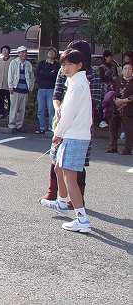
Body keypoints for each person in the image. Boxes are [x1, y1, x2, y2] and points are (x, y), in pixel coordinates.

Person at [41, 40, 102, 206]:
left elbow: (95, 101)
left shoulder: (91, 75)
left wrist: (72, 109)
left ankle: (77, 200)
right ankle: (54, 193)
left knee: (76, 165)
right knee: (56, 160)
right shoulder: (64, 70)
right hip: (62, 121)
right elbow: (56, 94)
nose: (66, 64)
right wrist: (58, 109)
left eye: (73, 52)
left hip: (80, 126)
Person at [39, 49, 92, 233]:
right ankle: (61, 202)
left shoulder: (77, 86)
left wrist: (58, 133)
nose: (65, 68)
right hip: (73, 134)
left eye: (69, 64)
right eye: (63, 64)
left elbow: (68, 114)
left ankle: (82, 219)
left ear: (79, 65)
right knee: (58, 168)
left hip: (74, 135)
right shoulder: (76, 82)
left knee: (70, 178)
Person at [107, 63, 133, 155]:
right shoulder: (117, 80)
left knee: (129, 130)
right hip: (116, 108)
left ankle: (127, 149)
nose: (127, 71)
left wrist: (124, 100)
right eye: (125, 69)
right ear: (122, 71)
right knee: (113, 127)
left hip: (129, 109)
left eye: (129, 69)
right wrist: (115, 100)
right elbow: (111, 91)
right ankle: (112, 147)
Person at [7, 46, 34, 132]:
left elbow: (32, 77)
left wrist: (31, 88)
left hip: (25, 89)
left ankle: (19, 126)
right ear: (18, 54)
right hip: (15, 89)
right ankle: (12, 125)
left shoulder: (28, 64)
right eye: (21, 52)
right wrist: (10, 86)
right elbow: (10, 75)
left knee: (22, 109)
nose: (23, 54)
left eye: (25, 52)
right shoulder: (14, 62)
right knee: (14, 108)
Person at [35, 47, 60, 134]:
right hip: (41, 89)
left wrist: (45, 74)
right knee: (40, 110)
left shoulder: (57, 65)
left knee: (51, 110)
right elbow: (38, 75)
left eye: (53, 52)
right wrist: (49, 74)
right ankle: (42, 127)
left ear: (55, 55)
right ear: (47, 53)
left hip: (51, 89)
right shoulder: (41, 64)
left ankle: (51, 127)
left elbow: (55, 77)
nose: (51, 53)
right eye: (50, 52)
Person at [0, 45, 11, 119]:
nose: (4, 52)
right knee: (0, 100)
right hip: (0, 84)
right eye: (3, 50)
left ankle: (9, 113)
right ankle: (1, 113)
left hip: (8, 84)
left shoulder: (12, 61)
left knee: (10, 100)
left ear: (9, 51)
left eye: (6, 50)